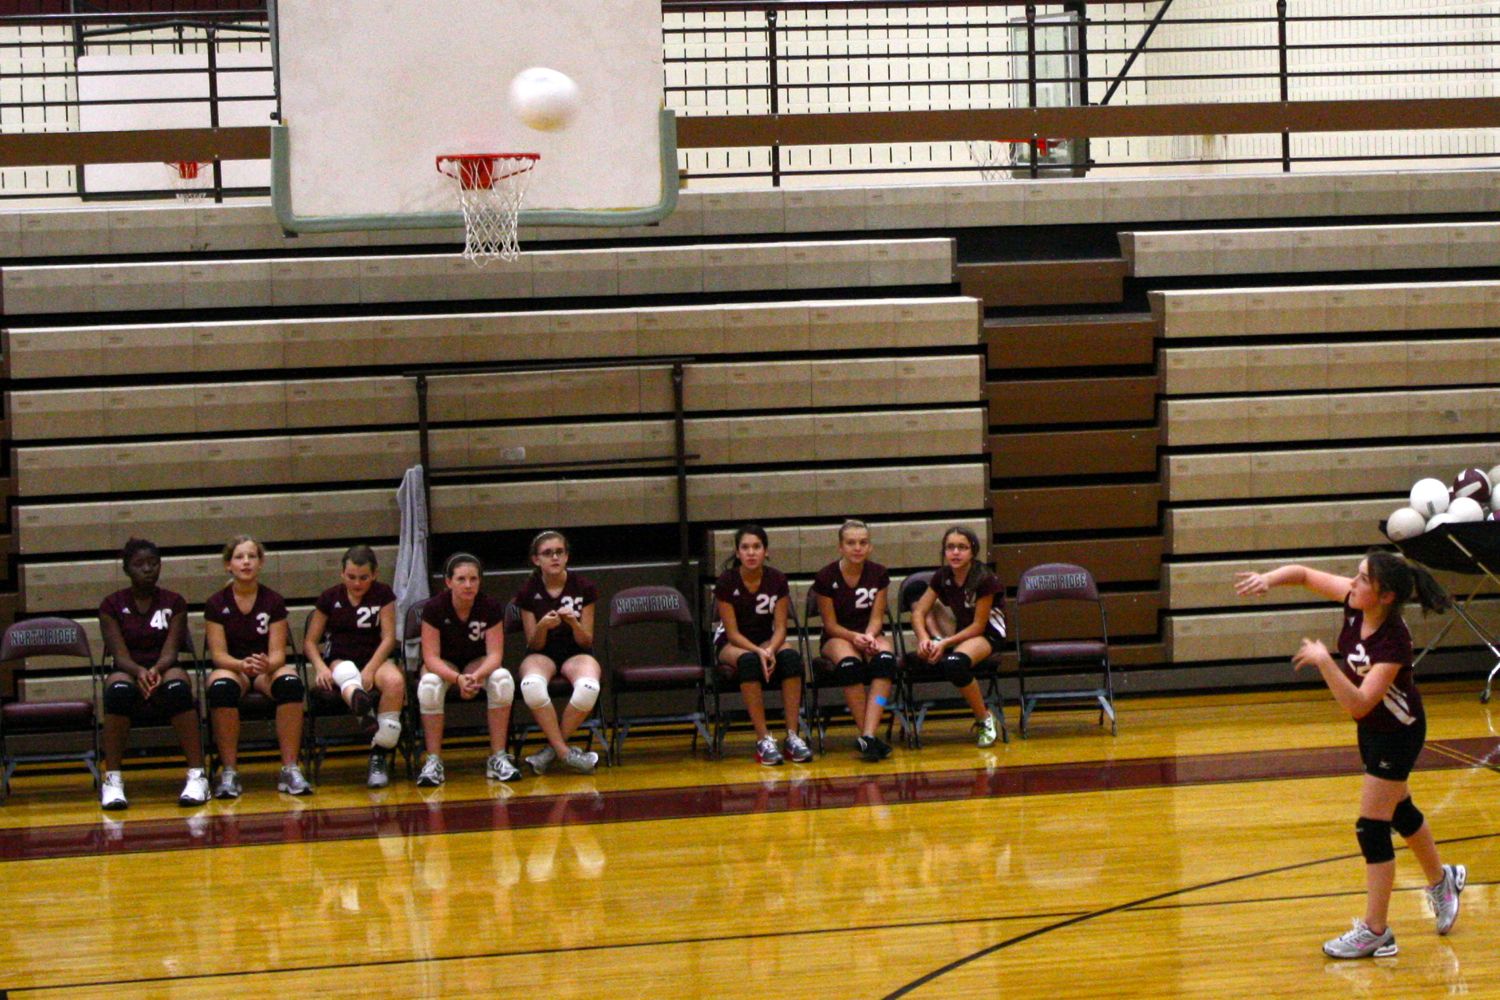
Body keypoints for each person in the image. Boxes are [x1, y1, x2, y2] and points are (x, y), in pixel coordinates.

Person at [1235, 549, 1466, 959]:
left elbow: (1359, 702)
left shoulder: (1393, 641)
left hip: (1399, 733)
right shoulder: (1356, 601)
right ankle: (1441, 881)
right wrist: (1269, 579)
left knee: (1371, 827)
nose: (1352, 582)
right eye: (1355, 576)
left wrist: (1325, 662)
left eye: (1362, 579)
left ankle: (1377, 931)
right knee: (1400, 812)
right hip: (1374, 731)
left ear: (1385, 597)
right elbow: (1304, 573)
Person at [97, 537, 208, 809]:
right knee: (118, 693)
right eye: (139, 564)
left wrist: (156, 670)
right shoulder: (111, 605)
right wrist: (140, 672)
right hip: (128, 669)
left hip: (165, 668)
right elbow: (119, 655)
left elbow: (171, 652)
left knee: (178, 690)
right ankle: (113, 780)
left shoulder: (175, 602)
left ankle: (197, 776)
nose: (147, 569)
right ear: (126, 569)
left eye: (153, 563)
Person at [204, 535, 309, 798]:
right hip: (233, 667)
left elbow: (278, 655)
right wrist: (241, 664)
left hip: (265, 669)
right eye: (239, 557)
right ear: (228, 565)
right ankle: (229, 772)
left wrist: (265, 664)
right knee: (220, 688)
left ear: (261, 563)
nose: (246, 562)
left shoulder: (273, 601)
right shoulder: (216, 603)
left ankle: (290, 768)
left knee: (291, 684)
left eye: (252, 556)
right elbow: (218, 655)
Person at [713, 524, 813, 766]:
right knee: (748, 662)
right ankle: (763, 739)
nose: (751, 553)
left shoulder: (777, 579)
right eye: (745, 547)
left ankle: (792, 736)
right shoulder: (726, 581)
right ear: (737, 553)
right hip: (732, 642)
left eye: (756, 547)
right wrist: (759, 652)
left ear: (765, 551)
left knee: (790, 658)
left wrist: (769, 649)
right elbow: (733, 633)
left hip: (766, 639)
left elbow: (780, 627)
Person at [304, 544, 402, 788]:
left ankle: (377, 752)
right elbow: (309, 642)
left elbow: (389, 637)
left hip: (374, 658)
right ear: (342, 574)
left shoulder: (383, 594)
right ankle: (363, 707)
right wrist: (320, 667)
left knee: (395, 681)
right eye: (351, 577)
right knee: (345, 669)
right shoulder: (329, 597)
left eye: (363, 578)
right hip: (339, 659)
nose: (357, 583)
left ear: (375, 574)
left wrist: (370, 669)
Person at [417, 552, 518, 786]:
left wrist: (475, 676)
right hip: (445, 665)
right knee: (429, 685)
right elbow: (430, 657)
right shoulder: (434, 608)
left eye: (473, 579)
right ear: (448, 582)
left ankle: (497, 757)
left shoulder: (490, 606)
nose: (468, 585)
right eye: (461, 579)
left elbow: (495, 655)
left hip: (476, 664)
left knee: (502, 680)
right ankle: (433, 761)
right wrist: (457, 679)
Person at [908, 525, 1005, 749]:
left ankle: (984, 718)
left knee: (954, 664)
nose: (955, 552)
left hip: (987, 634)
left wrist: (945, 643)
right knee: (936, 652)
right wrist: (924, 639)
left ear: (973, 551)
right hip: (960, 632)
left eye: (962, 547)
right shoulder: (942, 576)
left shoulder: (984, 579)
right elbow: (919, 612)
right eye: (950, 547)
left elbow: (979, 626)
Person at [812, 519, 900, 762]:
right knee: (850, 666)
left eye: (863, 543)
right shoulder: (826, 576)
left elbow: (877, 617)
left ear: (870, 547)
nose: (857, 548)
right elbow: (830, 624)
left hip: (869, 632)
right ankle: (868, 735)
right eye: (851, 543)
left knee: (884, 661)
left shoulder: (879, 573)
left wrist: (870, 636)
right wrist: (854, 638)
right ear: (840, 547)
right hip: (838, 636)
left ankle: (868, 735)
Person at [515, 531, 602, 775]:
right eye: (547, 553)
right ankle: (564, 753)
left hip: (576, 651)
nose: (554, 557)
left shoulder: (584, 587)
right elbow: (533, 644)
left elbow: (586, 640)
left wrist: (574, 623)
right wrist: (543, 626)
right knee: (531, 684)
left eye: (559, 552)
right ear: (536, 560)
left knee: (588, 687)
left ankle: (551, 751)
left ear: (567, 557)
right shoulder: (527, 592)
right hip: (542, 653)